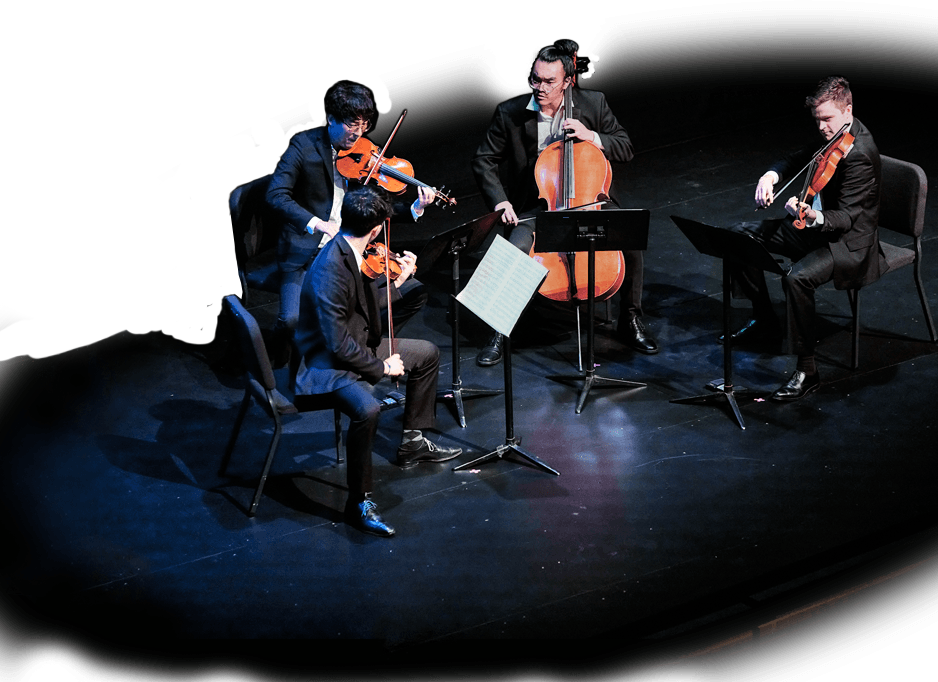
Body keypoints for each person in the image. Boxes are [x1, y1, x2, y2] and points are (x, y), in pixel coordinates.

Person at [470, 40, 658, 366]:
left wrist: (591, 136)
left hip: (589, 200)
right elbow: (483, 160)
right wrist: (500, 202)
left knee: (630, 241)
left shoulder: (593, 103)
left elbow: (624, 147)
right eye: (535, 79)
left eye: (548, 82)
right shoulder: (511, 112)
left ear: (568, 81)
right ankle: (498, 330)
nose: (539, 88)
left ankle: (630, 319)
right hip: (537, 205)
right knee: (510, 251)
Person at [292, 185, 462, 537]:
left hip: (354, 342)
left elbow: (366, 308)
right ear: (375, 228)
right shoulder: (330, 270)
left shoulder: (353, 251)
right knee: (367, 410)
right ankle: (359, 502)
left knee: (427, 353)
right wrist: (383, 368)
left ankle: (412, 441)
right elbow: (337, 345)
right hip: (323, 364)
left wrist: (398, 278)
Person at [731, 76, 888, 401]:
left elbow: (845, 219)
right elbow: (797, 157)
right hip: (815, 226)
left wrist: (812, 215)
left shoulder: (859, 153)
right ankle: (765, 318)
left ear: (848, 110)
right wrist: (771, 175)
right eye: (817, 120)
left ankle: (808, 370)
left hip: (848, 242)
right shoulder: (832, 135)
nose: (821, 128)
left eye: (827, 119)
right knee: (738, 238)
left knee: (797, 279)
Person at [266, 79, 435, 370]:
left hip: (351, 252)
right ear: (331, 118)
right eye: (351, 125)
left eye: (364, 126)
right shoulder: (303, 145)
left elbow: (376, 210)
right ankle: (277, 362)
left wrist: (415, 208)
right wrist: (317, 223)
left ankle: (360, 346)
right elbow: (276, 194)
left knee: (414, 292)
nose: (357, 135)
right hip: (307, 254)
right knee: (292, 320)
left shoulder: (364, 154)